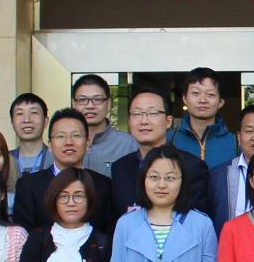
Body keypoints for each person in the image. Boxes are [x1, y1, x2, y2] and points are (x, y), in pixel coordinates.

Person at [111, 84, 211, 221]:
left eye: (152, 113)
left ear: (168, 121)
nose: (143, 121)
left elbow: (197, 222)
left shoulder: (193, 167)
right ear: (129, 121)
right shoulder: (120, 167)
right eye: (137, 114)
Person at [13, 107, 114, 232]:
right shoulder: (29, 186)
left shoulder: (103, 185)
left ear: (87, 143)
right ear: (50, 145)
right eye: (60, 136)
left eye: (76, 135)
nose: (69, 142)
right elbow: (23, 235)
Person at [170, 66, 237, 169]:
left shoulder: (236, 142)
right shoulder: (169, 139)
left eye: (210, 94)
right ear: (185, 99)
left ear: (220, 102)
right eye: (195, 93)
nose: (202, 100)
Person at [72, 73, 136, 175]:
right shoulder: (62, 143)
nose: (90, 106)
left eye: (97, 99)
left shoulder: (128, 144)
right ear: (74, 104)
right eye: (82, 99)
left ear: (109, 103)